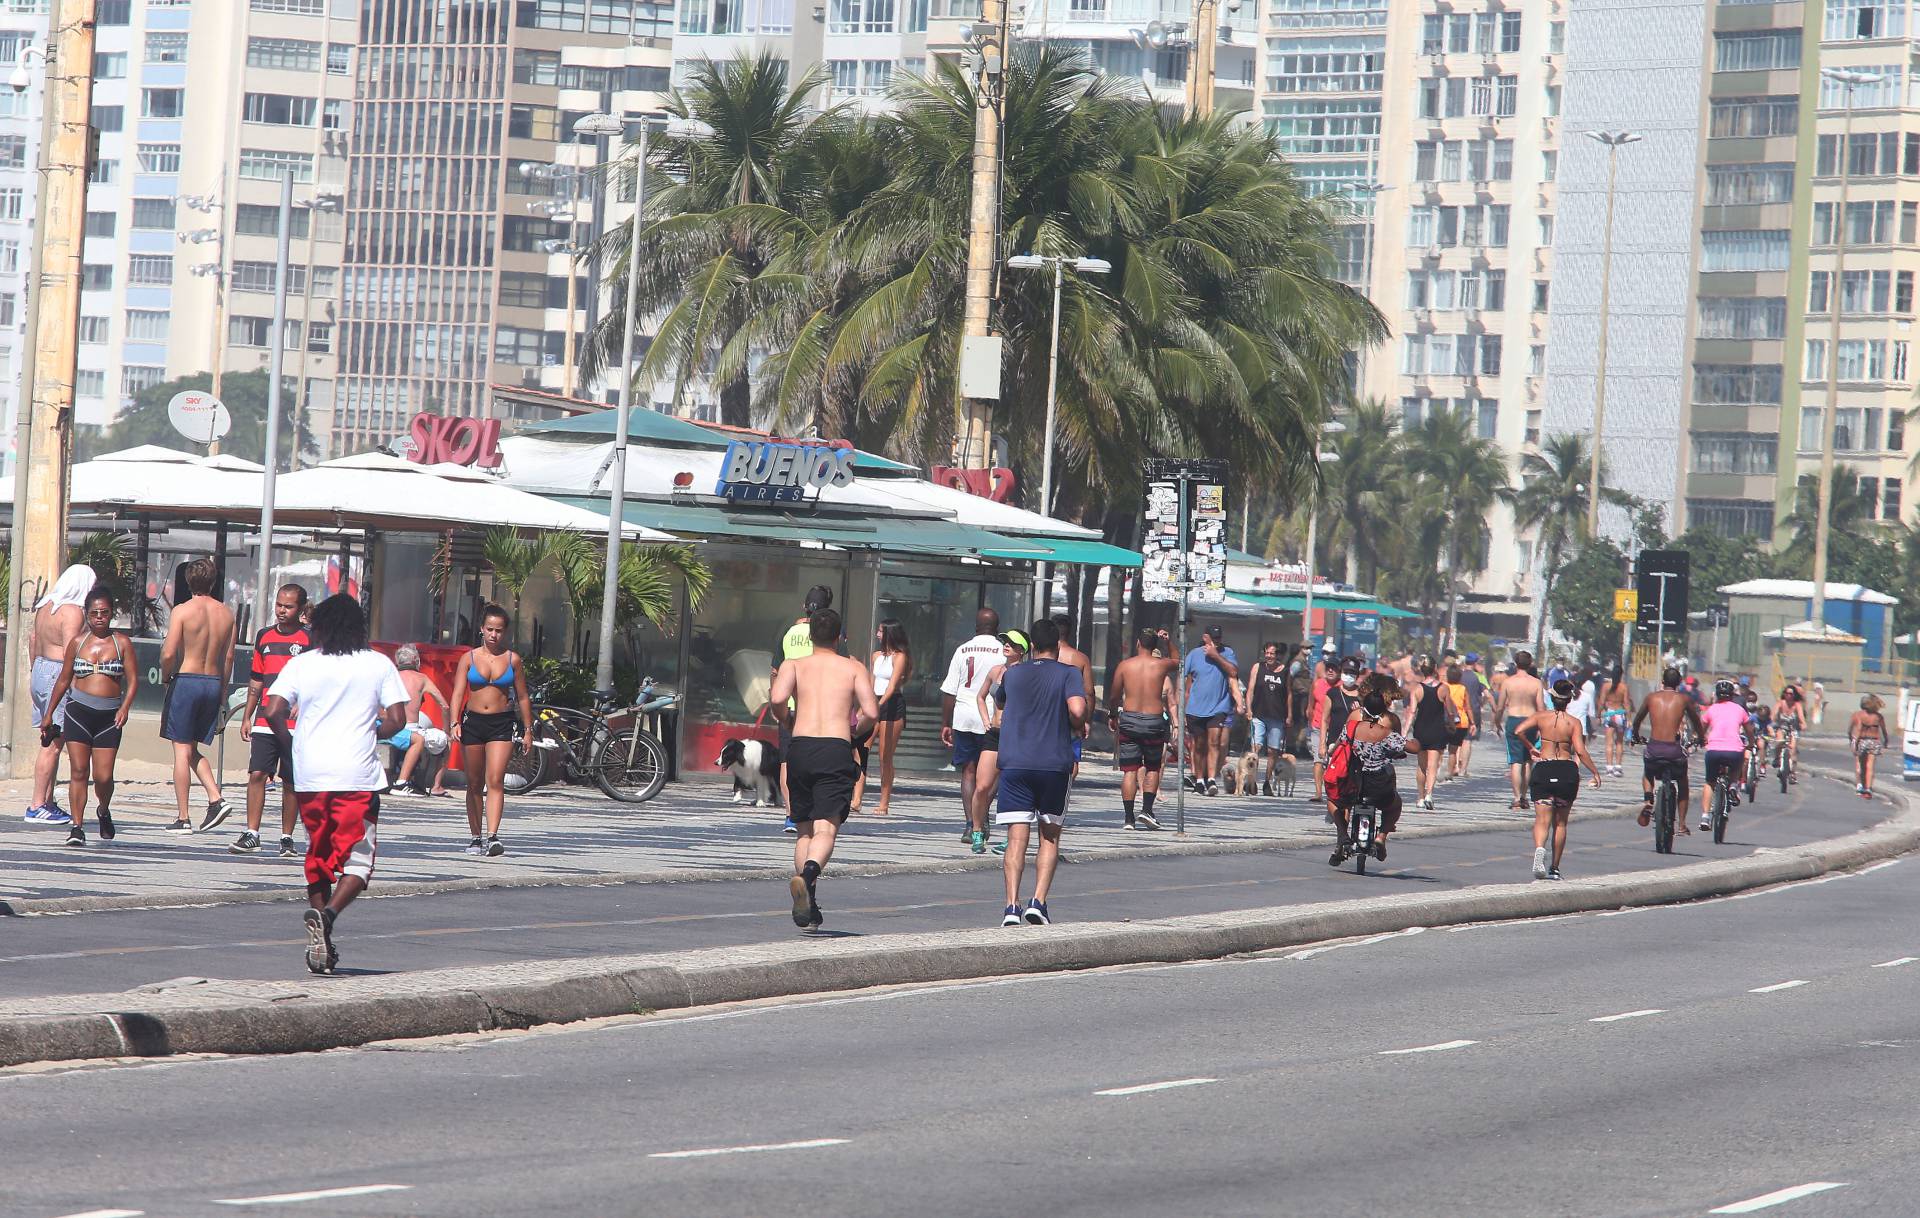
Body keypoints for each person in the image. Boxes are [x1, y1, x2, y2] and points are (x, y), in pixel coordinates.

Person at [262, 593, 410, 975]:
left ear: (320, 626)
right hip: (355, 775)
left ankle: (321, 942)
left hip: (310, 774)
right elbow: (398, 719)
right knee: (359, 860)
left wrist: (290, 743)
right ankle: (326, 918)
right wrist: (372, 730)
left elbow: (273, 709)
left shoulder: (302, 663)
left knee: (319, 851)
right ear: (359, 627)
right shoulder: (378, 664)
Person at [768, 607, 878, 929]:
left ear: (811, 635)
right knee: (826, 829)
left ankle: (809, 903)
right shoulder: (853, 668)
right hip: (834, 747)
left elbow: (777, 699)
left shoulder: (795, 665)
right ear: (840, 636)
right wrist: (856, 731)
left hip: (800, 748)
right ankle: (809, 874)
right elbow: (871, 710)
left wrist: (787, 719)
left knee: (804, 829)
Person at [993, 619, 1088, 927]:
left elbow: (1001, 704)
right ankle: (1038, 902)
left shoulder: (1013, 673)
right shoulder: (1069, 674)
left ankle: (1011, 906)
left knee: (1015, 837)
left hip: (1015, 762)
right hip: (1053, 764)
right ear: (1058, 646)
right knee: (1049, 836)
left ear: (1032, 645)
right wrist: (1078, 722)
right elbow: (1076, 710)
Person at [38, 585, 135, 847]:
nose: (99, 618)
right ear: (87, 614)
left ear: (111, 613)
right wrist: (48, 715)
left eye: (104, 612)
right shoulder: (77, 643)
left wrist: (125, 707)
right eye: (94, 613)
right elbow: (63, 680)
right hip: (78, 712)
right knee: (79, 771)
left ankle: (103, 809)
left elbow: (134, 680)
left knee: (103, 777)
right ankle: (77, 826)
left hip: (109, 717)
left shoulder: (121, 643)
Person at [229, 583, 310, 855]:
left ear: (300, 609)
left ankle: (287, 837)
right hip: (264, 719)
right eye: (279, 605)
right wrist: (246, 715)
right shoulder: (263, 636)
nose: (281, 611)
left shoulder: (309, 640)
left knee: (291, 780)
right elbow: (257, 678)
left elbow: (315, 678)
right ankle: (252, 832)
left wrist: (302, 701)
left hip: (294, 725)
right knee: (257, 774)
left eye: (288, 607)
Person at [160, 557, 238, 835]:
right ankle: (216, 798)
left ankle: (183, 816)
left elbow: (169, 652)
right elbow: (228, 656)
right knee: (191, 748)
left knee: (181, 750)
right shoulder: (227, 614)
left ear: (188, 581)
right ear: (214, 581)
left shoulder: (182, 610)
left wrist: (166, 674)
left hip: (188, 678)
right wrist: (223, 690)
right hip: (213, 682)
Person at [450, 604, 533, 857]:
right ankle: (476, 837)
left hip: (501, 722)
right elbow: (457, 693)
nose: (493, 635)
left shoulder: (512, 659)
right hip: (473, 722)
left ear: (504, 632)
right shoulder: (470, 657)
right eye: (489, 629)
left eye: (498, 630)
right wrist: (454, 722)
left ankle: (493, 836)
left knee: (495, 779)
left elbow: (522, 697)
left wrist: (528, 729)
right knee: (474, 783)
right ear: (481, 629)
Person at [22, 562, 94, 825]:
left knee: (49, 737)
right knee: (53, 744)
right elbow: (70, 653)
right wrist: (77, 685)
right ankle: (37, 804)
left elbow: (32, 641)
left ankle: (47, 801)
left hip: (40, 668)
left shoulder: (46, 606)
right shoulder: (72, 612)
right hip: (57, 673)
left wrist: (35, 672)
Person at [1513, 678, 1604, 880]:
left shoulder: (1541, 717)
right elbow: (1580, 751)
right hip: (1565, 772)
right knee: (1560, 823)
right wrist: (1595, 772)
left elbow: (1518, 731)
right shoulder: (1574, 723)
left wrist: (1531, 748)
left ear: (1552, 698)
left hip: (1544, 768)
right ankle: (1554, 868)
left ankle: (1539, 849)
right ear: (1568, 701)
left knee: (1542, 820)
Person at [941, 606, 1005, 847]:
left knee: (968, 770)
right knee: (995, 770)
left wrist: (946, 722)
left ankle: (970, 823)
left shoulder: (962, 649)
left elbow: (950, 690)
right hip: (993, 717)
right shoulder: (1003, 651)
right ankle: (983, 812)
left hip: (965, 715)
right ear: (997, 628)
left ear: (976, 627)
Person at [774, 585, 836, 832]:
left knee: (787, 762)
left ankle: (791, 815)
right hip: (819, 707)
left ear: (804, 606)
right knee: (818, 760)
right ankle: (815, 811)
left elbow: (774, 670)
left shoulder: (788, 633)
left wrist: (775, 700)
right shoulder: (828, 634)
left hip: (789, 705)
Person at [1326, 678, 1405, 866]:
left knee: (1338, 801)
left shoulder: (1354, 716)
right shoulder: (1392, 720)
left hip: (1352, 773)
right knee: (1393, 802)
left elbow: (1343, 743)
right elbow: (1399, 746)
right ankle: (1381, 837)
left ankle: (1341, 840)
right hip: (1378, 778)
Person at [1108, 627, 1179, 829]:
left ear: (1138, 643)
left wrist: (1113, 715)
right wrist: (1168, 642)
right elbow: (1177, 661)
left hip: (1129, 719)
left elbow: (1114, 696)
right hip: (1153, 721)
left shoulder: (1125, 666)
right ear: (1154, 646)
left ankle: (1129, 818)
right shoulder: (1161, 665)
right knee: (1153, 767)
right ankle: (1147, 810)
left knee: (1129, 770)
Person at [971, 629, 1029, 854]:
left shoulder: (1025, 673)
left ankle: (1010, 837)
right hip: (994, 734)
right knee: (982, 786)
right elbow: (980, 695)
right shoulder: (996, 670)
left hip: (1016, 736)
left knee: (1012, 789)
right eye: (1005, 641)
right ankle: (977, 831)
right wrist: (985, 719)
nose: (1006, 645)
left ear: (1022, 650)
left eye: (1012, 643)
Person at [1632, 667, 1706, 831]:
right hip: (1674, 752)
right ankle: (1681, 824)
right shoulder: (1684, 699)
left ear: (1662, 681)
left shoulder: (1651, 698)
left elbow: (1637, 720)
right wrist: (1701, 738)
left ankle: (1648, 800)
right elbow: (1696, 722)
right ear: (1679, 683)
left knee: (1648, 773)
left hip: (1654, 750)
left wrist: (1635, 735)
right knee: (1683, 782)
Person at [859, 618, 912, 816]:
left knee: (885, 755)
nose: (877, 634)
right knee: (861, 748)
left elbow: (893, 686)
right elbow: (871, 684)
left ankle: (884, 801)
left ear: (889, 633)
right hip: (875, 701)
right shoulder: (876, 656)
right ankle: (856, 798)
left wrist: (878, 705)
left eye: (881, 631)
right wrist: (865, 707)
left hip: (891, 703)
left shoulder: (900, 657)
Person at [1182, 625, 1241, 795]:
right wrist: (1182, 708)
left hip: (1219, 706)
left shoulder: (1227, 653)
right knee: (1199, 745)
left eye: (1219, 638)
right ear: (1206, 637)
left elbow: (1233, 671)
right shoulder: (1194, 655)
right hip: (1196, 707)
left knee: (1214, 741)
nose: (1217, 641)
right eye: (1213, 638)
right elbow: (1184, 679)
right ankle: (1199, 779)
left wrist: (1215, 655)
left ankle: (1211, 779)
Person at [391, 643, 453, 798]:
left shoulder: (390, 676)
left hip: (389, 728)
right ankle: (436, 786)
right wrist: (447, 731)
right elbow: (444, 706)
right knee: (446, 741)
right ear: (414, 660)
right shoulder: (422, 678)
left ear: (397, 662)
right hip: (411, 729)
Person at [1493, 651, 1548, 810]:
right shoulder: (1536, 683)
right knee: (1528, 761)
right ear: (1530, 664)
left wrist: (1497, 722)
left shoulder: (1508, 682)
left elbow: (1500, 706)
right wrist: (1541, 725)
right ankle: (1524, 796)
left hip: (1515, 720)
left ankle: (1517, 798)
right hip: (1531, 720)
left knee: (1515, 761)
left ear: (1515, 664)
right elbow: (1541, 707)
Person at [1699, 678, 1756, 830]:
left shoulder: (1711, 709)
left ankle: (1705, 817)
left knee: (1710, 782)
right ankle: (1733, 785)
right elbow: (1749, 730)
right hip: (1734, 751)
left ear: (1717, 694)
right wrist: (1751, 743)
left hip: (1714, 750)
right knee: (1736, 767)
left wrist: (1700, 740)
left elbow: (1701, 729)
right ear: (1732, 695)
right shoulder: (1740, 709)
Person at [1052, 612, 1096, 779]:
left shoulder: (1041, 655)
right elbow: (1089, 693)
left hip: (1048, 711)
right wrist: (1086, 721)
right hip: (1072, 713)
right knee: (1072, 759)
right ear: (1069, 632)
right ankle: (1065, 790)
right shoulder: (1080, 658)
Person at [1406, 659, 1451, 809]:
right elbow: (1450, 711)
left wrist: (1404, 732)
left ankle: (1419, 797)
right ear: (1435, 668)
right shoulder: (1443, 688)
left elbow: (1412, 712)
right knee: (1433, 765)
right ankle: (1429, 795)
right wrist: (1452, 723)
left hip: (1421, 729)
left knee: (1421, 765)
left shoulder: (1417, 689)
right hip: (1437, 729)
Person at [1247, 642, 1290, 797]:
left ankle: (1267, 782)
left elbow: (1289, 694)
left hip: (1277, 716)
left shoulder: (1285, 671)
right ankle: (1251, 782)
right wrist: (1248, 708)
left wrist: (1289, 715)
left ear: (1277, 655)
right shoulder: (1257, 668)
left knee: (1273, 751)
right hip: (1258, 714)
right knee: (1255, 748)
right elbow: (1250, 689)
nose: (1269, 656)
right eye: (1267, 653)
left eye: (1272, 653)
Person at [1849, 694, 1889, 799]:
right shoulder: (1878, 717)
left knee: (1859, 764)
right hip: (1874, 741)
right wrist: (1886, 741)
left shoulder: (1858, 715)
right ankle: (1868, 789)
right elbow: (1884, 731)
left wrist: (1853, 742)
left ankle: (1859, 786)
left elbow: (1853, 730)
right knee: (1870, 766)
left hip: (1861, 740)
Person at [1444, 662, 1475, 780]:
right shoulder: (1463, 689)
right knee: (1453, 750)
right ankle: (1449, 773)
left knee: (1439, 749)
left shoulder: (1443, 687)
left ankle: (1436, 770)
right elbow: (1468, 707)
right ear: (1460, 677)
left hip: (1445, 721)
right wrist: (1472, 722)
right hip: (1461, 723)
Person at [1600, 669, 1633, 778]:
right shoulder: (1624, 687)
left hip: (1610, 714)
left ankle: (1609, 768)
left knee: (1609, 742)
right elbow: (1627, 703)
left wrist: (1599, 714)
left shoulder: (1606, 686)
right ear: (1621, 675)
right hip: (1620, 714)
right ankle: (1618, 767)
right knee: (1619, 742)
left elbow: (1601, 701)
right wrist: (1629, 719)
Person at [1774, 684, 1806, 779]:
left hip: (1793, 729)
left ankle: (1792, 773)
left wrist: (1803, 724)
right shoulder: (1780, 703)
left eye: (1791, 694)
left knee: (1793, 750)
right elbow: (1773, 715)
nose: (1789, 695)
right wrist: (1772, 723)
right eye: (1787, 693)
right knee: (1779, 742)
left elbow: (1801, 718)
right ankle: (1776, 759)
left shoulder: (1797, 705)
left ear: (1794, 695)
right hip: (1782, 727)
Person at [1461, 653, 1488, 742]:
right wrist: (1482, 704)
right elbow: (1487, 695)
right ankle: (1463, 757)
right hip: (1473, 709)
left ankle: (1456, 756)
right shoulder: (1479, 677)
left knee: (1457, 741)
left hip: (1459, 710)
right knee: (1468, 740)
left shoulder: (1459, 674)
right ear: (1475, 663)